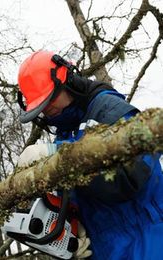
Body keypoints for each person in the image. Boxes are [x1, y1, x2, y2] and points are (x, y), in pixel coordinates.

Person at [16, 50, 163, 260]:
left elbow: (127, 178)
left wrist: (58, 156)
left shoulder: (108, 109)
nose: (47, 109)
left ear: (68, 81)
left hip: (149, 242)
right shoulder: (66, 134)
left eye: (50, 99)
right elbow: (77, 200)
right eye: (41, 105)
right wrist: (71, 234)